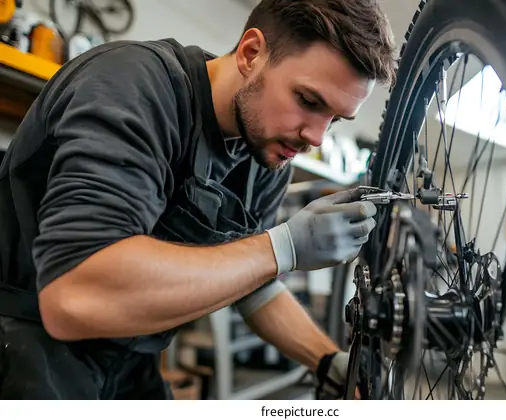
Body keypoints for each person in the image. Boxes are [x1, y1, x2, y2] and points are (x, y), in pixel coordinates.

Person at [0, 0, 397, 399]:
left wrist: (326, 361)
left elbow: (250, 282)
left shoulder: (264, 157)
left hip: (128, 359)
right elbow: (73, 296)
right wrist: (282, 247)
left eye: (335, 119)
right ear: (251, 54)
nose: (316, 137)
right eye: (309, 102)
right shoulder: (134, 85)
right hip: (23, 344)